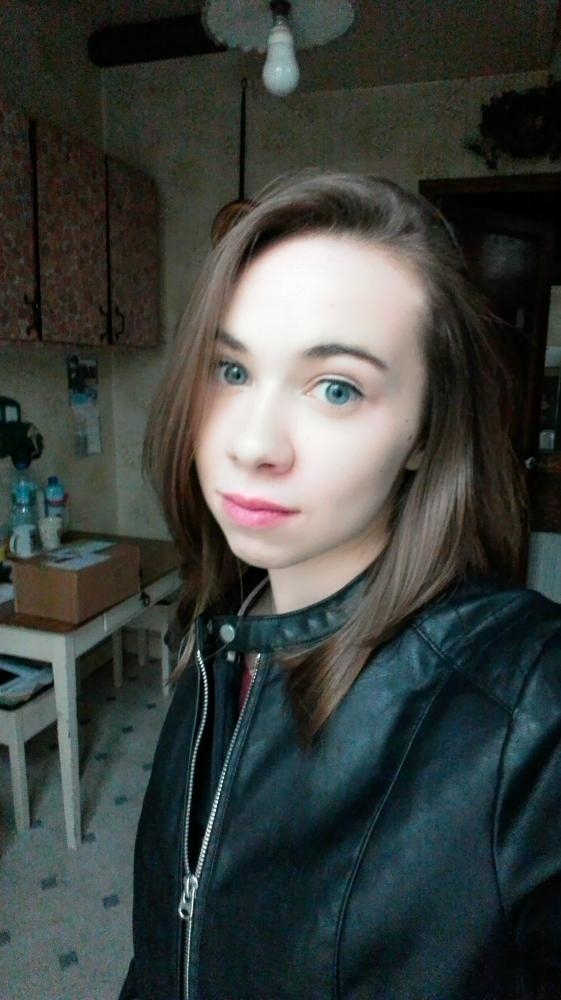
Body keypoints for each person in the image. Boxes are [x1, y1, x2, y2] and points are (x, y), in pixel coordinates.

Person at [119, 172, 561, 1000]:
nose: (253, 444)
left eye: (335, 388)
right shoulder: (219, 627)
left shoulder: (528, 709)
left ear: (424, 432)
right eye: (231, 370)